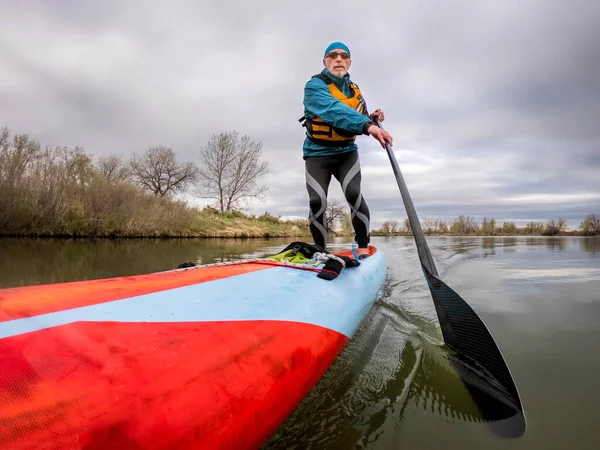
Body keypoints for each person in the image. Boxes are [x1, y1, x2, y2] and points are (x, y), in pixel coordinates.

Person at [299, 41, 393, 258]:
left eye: (343, 56)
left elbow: (356, 116)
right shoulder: (314, 87)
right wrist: (368, 126)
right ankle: (321, 254)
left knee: (353, 194)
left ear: (349, 62)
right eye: (333, 55)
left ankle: (362, 249)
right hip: (317, 153)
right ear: (325, 61)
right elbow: (334, 111)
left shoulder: (354, 89)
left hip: (346, 153)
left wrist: (372, 119)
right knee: (317, 201)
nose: (338, 59)